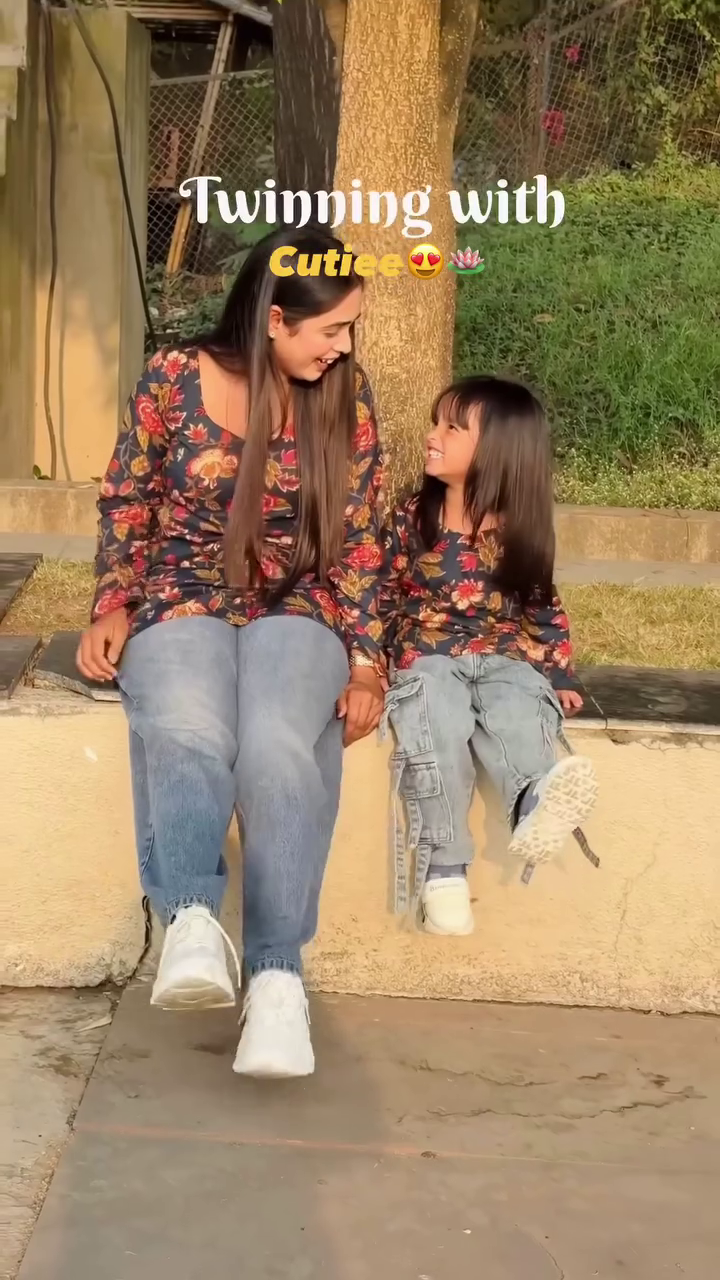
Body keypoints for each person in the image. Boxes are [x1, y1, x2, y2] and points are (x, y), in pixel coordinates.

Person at [76, 227, 386, 1078]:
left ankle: (279, 980)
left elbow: (360, 542)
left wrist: (365, 660)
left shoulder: (343, 401)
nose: (344, 346)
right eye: (331, 330)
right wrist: (112, 603)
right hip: (178, 595)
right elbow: (127, 498)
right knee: (185, 726)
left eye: (349, 329)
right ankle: (191, 925)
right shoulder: (173, 379)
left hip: (302, 603)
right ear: (275, 318)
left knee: (281, 749)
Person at [379, 375, 599, 936]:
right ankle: (445, 870)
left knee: (521, 706)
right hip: (427, 655)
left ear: (499, 453)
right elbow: (379, 591)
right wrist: (365, 662)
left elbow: (542, 605)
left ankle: (534, 798)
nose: (434, 435)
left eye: (452, 427)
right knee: (435, 722)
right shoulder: (415, 518)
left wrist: (557, 670)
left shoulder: (520, 530)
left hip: (504, 657)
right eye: (437, 421)